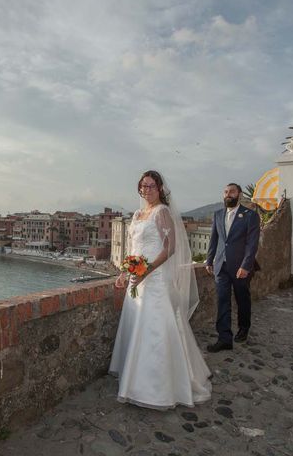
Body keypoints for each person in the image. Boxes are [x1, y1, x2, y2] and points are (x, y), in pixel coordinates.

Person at [109, 170, 211, 409]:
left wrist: (146, 271)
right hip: (137, 278)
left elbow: (170, 249)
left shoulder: (162, 212)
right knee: (137, 326)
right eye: (143, 186)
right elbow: (133, 248)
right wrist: (125, 272)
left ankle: (156, 388)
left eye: (151, 186)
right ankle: (134, 377)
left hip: (155, 280)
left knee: (155, 329)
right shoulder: (136, 214)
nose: (146, 190)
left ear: (160, 188)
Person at [205, 183, 260, 352]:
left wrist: (246, 265)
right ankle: (224, 338)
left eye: (232, 191)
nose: (228, 194)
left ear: (239, 194)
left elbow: (252, 244)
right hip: (221, 266)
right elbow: (214, 239)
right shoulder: (218, 214)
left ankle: (244, 328)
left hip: (240, 267)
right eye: (226, 192)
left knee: (242, 299)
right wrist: (209, 260)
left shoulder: (250, 215)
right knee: (222, 300)